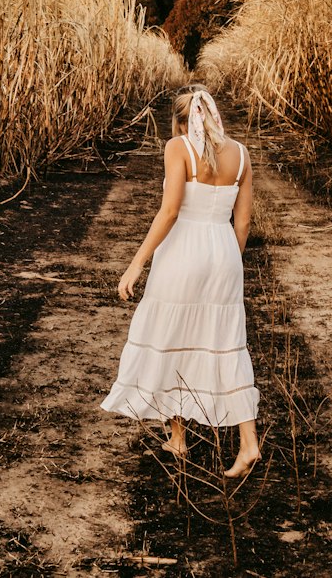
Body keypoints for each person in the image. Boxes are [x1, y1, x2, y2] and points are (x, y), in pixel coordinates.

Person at [101, 83, 261, 478]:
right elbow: (242, 222)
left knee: (172, 338)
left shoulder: (178, 148)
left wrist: (137, 262)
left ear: (179, 121)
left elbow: (170, 211)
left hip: (182, 252)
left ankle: (178, 437)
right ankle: (248, 442)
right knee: (227, 345)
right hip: (224, 253)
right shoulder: (240, 155)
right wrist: (226, 262)